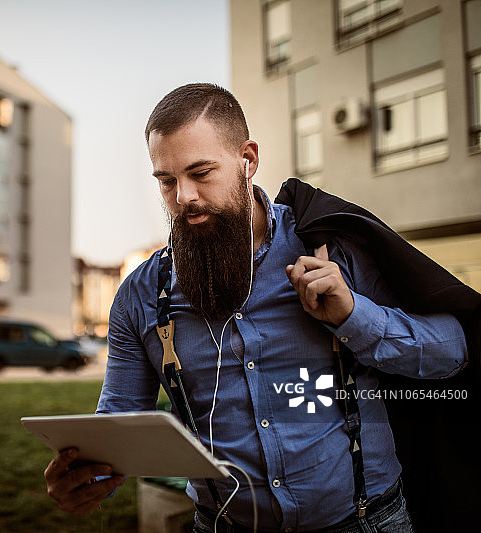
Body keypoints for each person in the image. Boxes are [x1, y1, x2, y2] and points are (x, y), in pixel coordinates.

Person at [43, 84, 473, 532]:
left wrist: (354, 316)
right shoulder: (140, 296)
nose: (183, 196)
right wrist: (85, 473)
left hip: (366, 522)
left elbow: (453, 351)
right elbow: (118, 423)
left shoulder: (331, 249)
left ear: (247, 160)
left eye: (201, 172)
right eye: (167, 181)